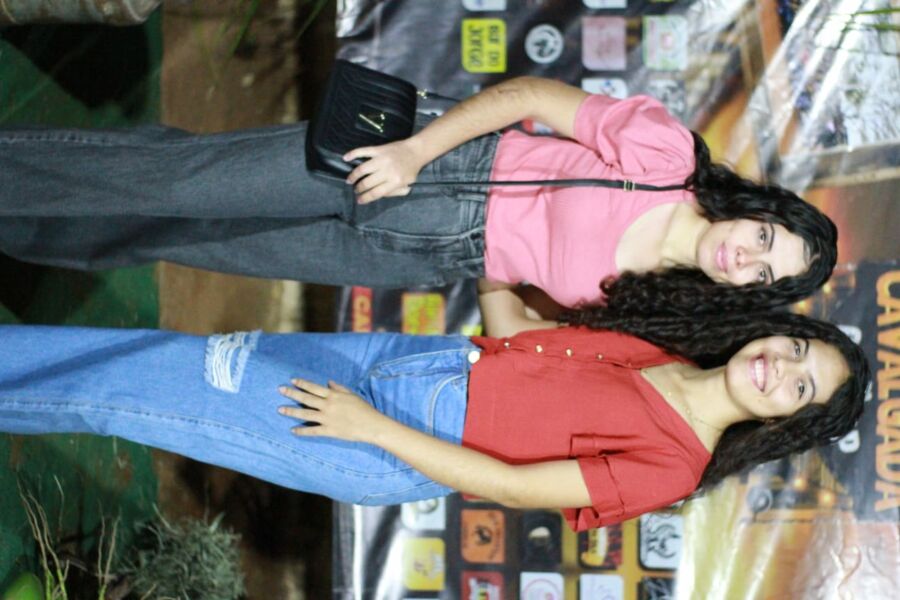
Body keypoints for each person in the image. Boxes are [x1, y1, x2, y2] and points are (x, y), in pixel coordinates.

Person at [0, 289, 868, 530]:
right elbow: (515, 335)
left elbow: (512, 486)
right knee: (162, 358)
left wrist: (372, 428)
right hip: (408, 363)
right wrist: (495, 240)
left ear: (787, 422)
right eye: (796, 349)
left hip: (384, 438)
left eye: (801, 387)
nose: (779, 369)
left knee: (140, 389)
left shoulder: (675, 466)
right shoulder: (664, 354)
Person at [0, 76, 835, 315]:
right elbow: (531, 97)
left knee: (185, 236)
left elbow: (520, 277)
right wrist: (414, 151)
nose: (747, 258)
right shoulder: (665, 156)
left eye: (764, 276)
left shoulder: (655, 299)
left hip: (421, 257)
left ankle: (18, 227)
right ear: (758, 210)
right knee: (177, 180)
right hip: (429, 167)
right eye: (766, 238)